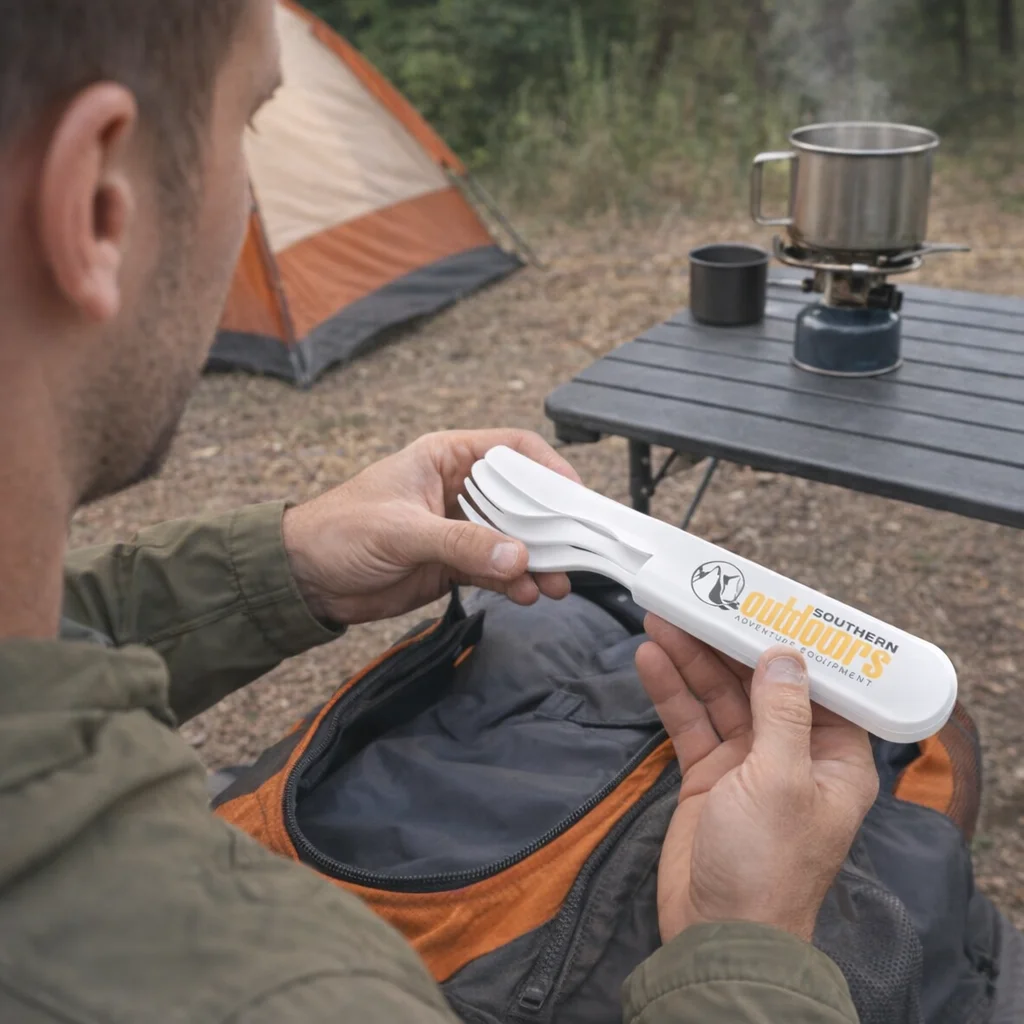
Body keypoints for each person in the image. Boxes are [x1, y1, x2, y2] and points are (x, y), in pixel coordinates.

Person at [0, 1, 879, 1020]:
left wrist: (280, 563)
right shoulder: (294, 992)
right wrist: (746, 948)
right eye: (247, 124)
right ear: (100, 203)